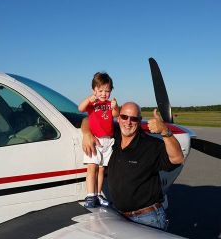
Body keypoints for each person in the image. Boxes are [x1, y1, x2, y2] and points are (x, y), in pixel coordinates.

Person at [81, 102, 184, 230]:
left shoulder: (150, 145)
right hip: (120, 217)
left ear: (139, 121)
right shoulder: (114, 137)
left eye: (134, 118)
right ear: (118, 118)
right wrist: (86, 133)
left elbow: (177, 158)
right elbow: (87, 119)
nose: (128, 122)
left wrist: (165, 131)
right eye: (124, 117)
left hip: (148, 218)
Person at [78, 72, 119, 209]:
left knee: (101, 170)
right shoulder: (92, 103)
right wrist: (89, 99)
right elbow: (80, 108)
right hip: (95, 141)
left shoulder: (108, 104)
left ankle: (98, 194)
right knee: (92, 168)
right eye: (100, 90)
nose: (103, 93)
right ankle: (90, 195)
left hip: (108, 141)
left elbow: (115, 115)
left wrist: (115, 106)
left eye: (107, 91)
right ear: (94, 90)